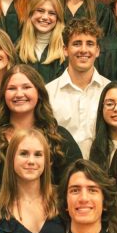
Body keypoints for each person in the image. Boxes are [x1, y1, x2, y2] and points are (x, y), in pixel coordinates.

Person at [0, 64, 82, 203]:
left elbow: (75, 183)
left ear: (39, 93)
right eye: (12, 88)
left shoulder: (59, 137)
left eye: (26, 87)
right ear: (3, 95)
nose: (19, 94)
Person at [45, 17, 110, 156]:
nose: (83, 50)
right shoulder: (48, 93)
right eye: (77, 43)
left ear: (97, 50)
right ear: (65, 50)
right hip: (61, 165)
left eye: (90, 44)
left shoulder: (110, 90)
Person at [16, 0, 67, 83]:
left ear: (57, 18)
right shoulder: (18, 48)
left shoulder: (66, 49)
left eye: (52, 13)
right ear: (31, 14)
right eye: (40, 11)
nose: (45, 17)